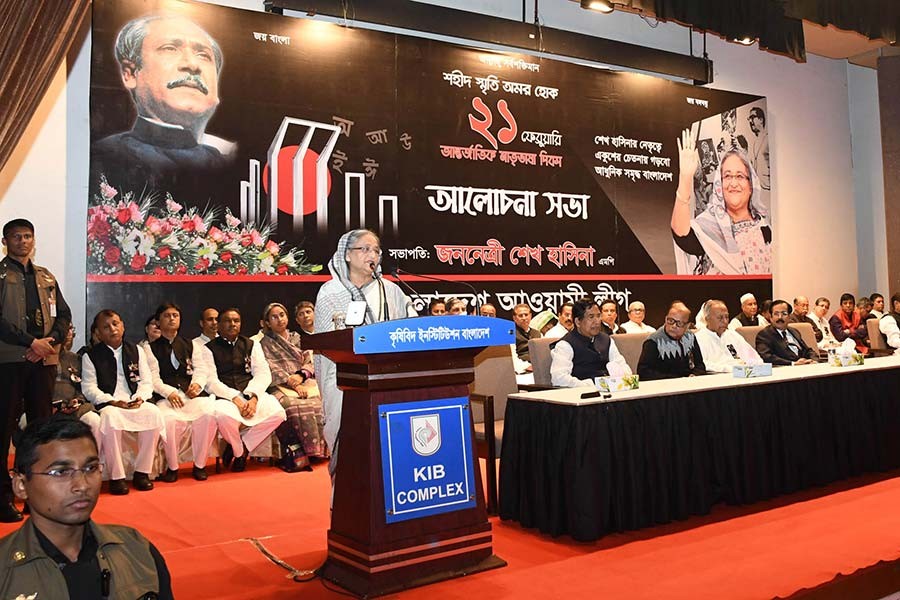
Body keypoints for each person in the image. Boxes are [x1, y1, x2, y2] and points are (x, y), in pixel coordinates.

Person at [0, 415, 173, 599]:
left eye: (90, 468)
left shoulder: (137, 551)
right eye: (60, 472)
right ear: (21, 485)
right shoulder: (5, 570)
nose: (82, 485)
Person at [90, 15, 235, 200]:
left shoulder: (231, 164)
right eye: (170, 48)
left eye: (203, 55)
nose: (192, 65)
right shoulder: (105, 157)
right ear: (131, 74)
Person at [314, 229, 415, 476]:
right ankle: (342, 503)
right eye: (365, 249)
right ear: (347, 255)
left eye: (377, 250)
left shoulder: (391, 290)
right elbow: (322, 348)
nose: (373, 255)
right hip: (342, 381)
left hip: (386, 378)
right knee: (346, 441)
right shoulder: (330, 292)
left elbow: (411, 327)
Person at [0, 219, 72, 521]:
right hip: (8, 362)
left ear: (34, 240)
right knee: (3, 431)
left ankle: (39, 496)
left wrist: (49, 342)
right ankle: (3, 498)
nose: (23, 241)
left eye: (27, 236)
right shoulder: (1, 275)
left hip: (43, 362)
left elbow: (63, 316)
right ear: (5, 242)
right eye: (16, 237)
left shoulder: (46, 277)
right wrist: (31, 342)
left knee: (42, 431)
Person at [81, 310, 165, 495]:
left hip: (135, 401)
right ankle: (117, 477)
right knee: (109, 418)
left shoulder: (136, 350)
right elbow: (89, 388)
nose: (112, 329)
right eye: (106, 327)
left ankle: (142, 472)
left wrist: (140, 398)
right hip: (111, 404)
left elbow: (146, 381)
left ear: (123, 326)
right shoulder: (90, 356)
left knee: (153, 412)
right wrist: (112, 401)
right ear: (98, 333)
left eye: (115, 323)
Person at [672, 128, 771, 275]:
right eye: (727, 176)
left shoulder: (765, 228)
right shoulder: (710, 226)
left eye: (740, 176)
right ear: (719, 184)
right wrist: (685, 177)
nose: (733, 183)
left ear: (751, 185)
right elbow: (682, 235)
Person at [199, 308, 286, 472]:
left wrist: (253, 397)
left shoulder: (251, 344)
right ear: (219, 325)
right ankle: (239, 452)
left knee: (279, 413)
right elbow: (210, 381)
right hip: (225, 396)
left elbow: (263, 373)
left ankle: (243, 446)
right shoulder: (208, 348)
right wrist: (235, 398)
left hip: (249, 392)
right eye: (228, 321)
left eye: (236, 321)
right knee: (223, 416)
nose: (233, 324)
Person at [146, 303, 217, 482]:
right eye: (167, 315)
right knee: (169, 420)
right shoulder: (149, 348)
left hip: (190, 395)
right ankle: (173, 466)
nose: (172, 319)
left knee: (208, 414)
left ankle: (200, 465)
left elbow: (201, 370)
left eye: (175, 315)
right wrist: (169, 393)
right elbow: (153, 378)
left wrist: (197, 385)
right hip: (166, 398)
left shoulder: (191, 345)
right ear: (158, 321)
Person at [259, 302, 326, 459]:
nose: (279, 319)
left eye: (282, 315)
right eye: (274, 317)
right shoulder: (264, 344)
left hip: (303, 381)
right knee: (291, 405)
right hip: (279, 385)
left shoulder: (298, 338)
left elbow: (311, 361)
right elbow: (270, 367)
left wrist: (301, 375)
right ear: (267, 322)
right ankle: (300, 451)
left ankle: (320, 451)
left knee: (319, 402)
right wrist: (292, 383)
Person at [550, 297, 631, 387]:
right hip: (583, 395)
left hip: (612, 391)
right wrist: (589, 385)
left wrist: (623, 378)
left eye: (598, 316)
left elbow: (622, 365)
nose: (597, 321)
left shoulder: (606, 339)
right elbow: (559, 378)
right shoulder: (565, 345)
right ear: (578, 322)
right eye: (591, 317)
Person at [52, 325, 102, 456]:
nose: (69, 333)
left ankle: (92, 463)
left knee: (93, 419)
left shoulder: (76, 358)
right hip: (46, 407)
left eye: (71, 329)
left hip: (74, 407)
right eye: (66, 329)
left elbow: (84, 386)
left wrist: (77, 400)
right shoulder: (39, 357)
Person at [637, 301, 706, 380]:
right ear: (665, 319)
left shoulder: (690, 337)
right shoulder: (654, 341)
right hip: (664, 386)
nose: (673, 326)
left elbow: (700, 365)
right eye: (670, 321)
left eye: (679, 323)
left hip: (690, 383)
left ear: (687, 326)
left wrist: (694, 375)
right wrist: (675, 380)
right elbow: (643, 372)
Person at [695, 299, 763, 372]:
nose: (725, 321)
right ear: (707, 319)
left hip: (740, 374)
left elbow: (753, 358)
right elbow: (702, 364)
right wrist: (728, 369)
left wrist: (753, 366)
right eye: (720, 318)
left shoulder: (732, 336)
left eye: (727, 317)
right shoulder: (699, 339)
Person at [755, 300, 818, 365]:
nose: (780, 317)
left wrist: (814, 360)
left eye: (784, 314)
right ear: (771, 317)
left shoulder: (794, 331)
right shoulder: (764, 335)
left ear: (789, 317)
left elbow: (808, 350)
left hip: (805, 367)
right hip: (785, 370)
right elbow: (766, 357)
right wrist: (793, 363)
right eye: (776, 314)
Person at [510, 303, 540, 373]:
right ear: (514, 318)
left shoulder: (537, 333)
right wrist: (527, 366)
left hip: (538, 368)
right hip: (521, 370)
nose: (524, 318)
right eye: (520, 315)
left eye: (526, 315)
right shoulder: (510, 333)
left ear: (530, 316)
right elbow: (513, 359)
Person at [748, 107, 770, 190]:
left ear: (761, 119)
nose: (750, 121)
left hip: (767, 187)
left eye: (752, 117)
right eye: (749, 119)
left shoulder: (768, 138)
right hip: (757, 189)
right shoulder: (754, 142)